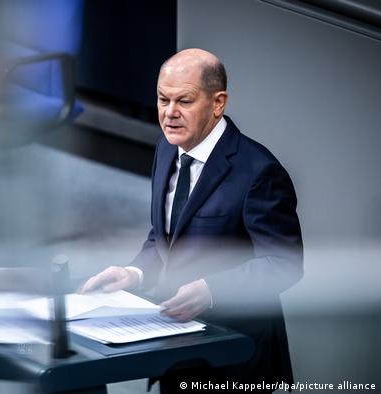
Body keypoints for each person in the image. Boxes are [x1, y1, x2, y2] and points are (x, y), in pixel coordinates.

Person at [80, 48, 303, 393]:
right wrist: (134, 274)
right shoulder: (167, 148)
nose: (169, 114)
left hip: (236, 360)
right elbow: (164, 239)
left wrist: (213, 290)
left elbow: (284, 263)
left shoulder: (259, 172)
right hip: (178, 349)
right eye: (162, 99)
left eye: (184, 101)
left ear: (218, 103)